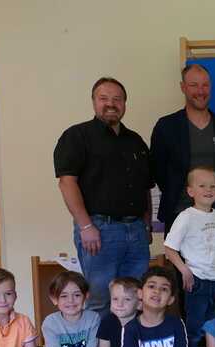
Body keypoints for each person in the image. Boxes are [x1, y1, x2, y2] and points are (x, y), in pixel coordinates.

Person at [54, 77, 152, 315]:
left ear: (124, 104)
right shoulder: (77, 136)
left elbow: (146, 186)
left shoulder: (136, 141)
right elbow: (67, 182)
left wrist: (147, 224)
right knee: (100, 301)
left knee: (135, 300)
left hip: (136, 232)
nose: (111, 104)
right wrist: (86, 226)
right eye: (104, 98)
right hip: (99, 231)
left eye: (117, 99)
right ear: (93, 102)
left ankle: (128, 342)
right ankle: (101, 343)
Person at [150, 63, 215, 235]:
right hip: (178, 214)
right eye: (194, 85)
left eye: (205, 85)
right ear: (183, 87)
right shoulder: (166, 127)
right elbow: (158, 170)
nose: (200, 91)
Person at [164, 166, 215, 347]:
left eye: (213, 186)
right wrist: (184, 270)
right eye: (202, 186)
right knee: (194, 331)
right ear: (190, 191)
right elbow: (169, 248)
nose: (208, 190)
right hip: (197, 281)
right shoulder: (186, 216)